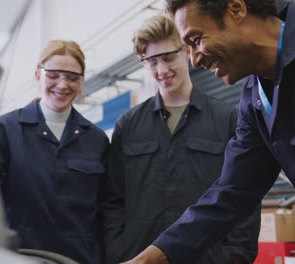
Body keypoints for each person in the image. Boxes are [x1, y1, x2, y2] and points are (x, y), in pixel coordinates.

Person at [122, 0, 295, 263]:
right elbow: (231, 192)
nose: (193, 60)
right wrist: (150, 258)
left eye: (196, 40)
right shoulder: (254, 98)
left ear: (236, 9)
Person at [103, 15, 260, 264]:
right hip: (139, 257)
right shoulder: (128, 125)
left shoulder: (227, 118)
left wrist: (235, 256)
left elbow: (245, 196)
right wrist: (117, 250)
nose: (162, 70)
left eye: (168, 58)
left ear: (187, 51)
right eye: (152, 61)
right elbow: (113, 199)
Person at [0, 40, 109, 264]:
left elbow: (105, 210)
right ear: (38, 75)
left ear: (82, 81)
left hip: (78, 259)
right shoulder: (5, 130)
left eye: (72, 77)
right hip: (17, 257)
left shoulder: (96, 139)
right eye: (53, 75)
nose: (63, 84)